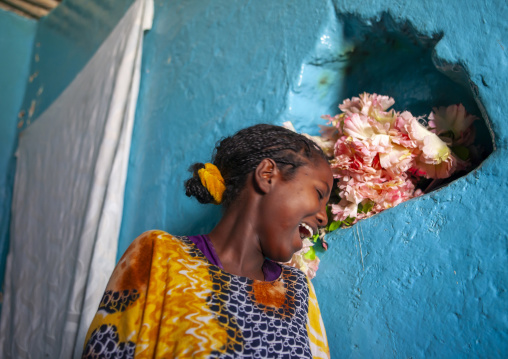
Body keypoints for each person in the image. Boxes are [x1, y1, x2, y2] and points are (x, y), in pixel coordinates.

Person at [82, 124, 333, 358]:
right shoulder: (160, 256)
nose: (323, 217)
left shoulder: (300, 290)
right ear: (267, 174)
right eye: (319, 194)